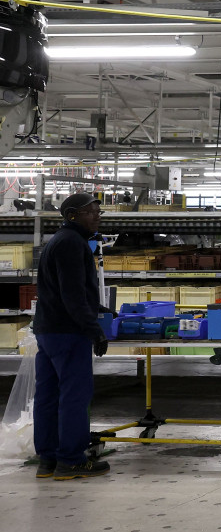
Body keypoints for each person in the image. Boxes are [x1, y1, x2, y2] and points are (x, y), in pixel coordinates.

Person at [32, 192, 110, 481]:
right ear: (73, 215)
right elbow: (72, 294)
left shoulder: (61, 241)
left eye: (98, 211)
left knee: (48, 396)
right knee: (75, 397)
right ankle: (71, 460)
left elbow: (62, 289)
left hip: (49, 330)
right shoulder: (72, 243)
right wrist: (93, 328)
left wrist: (96, 307)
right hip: (68, 332)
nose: (98, 216)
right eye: (92, 212)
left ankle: (48, 460)